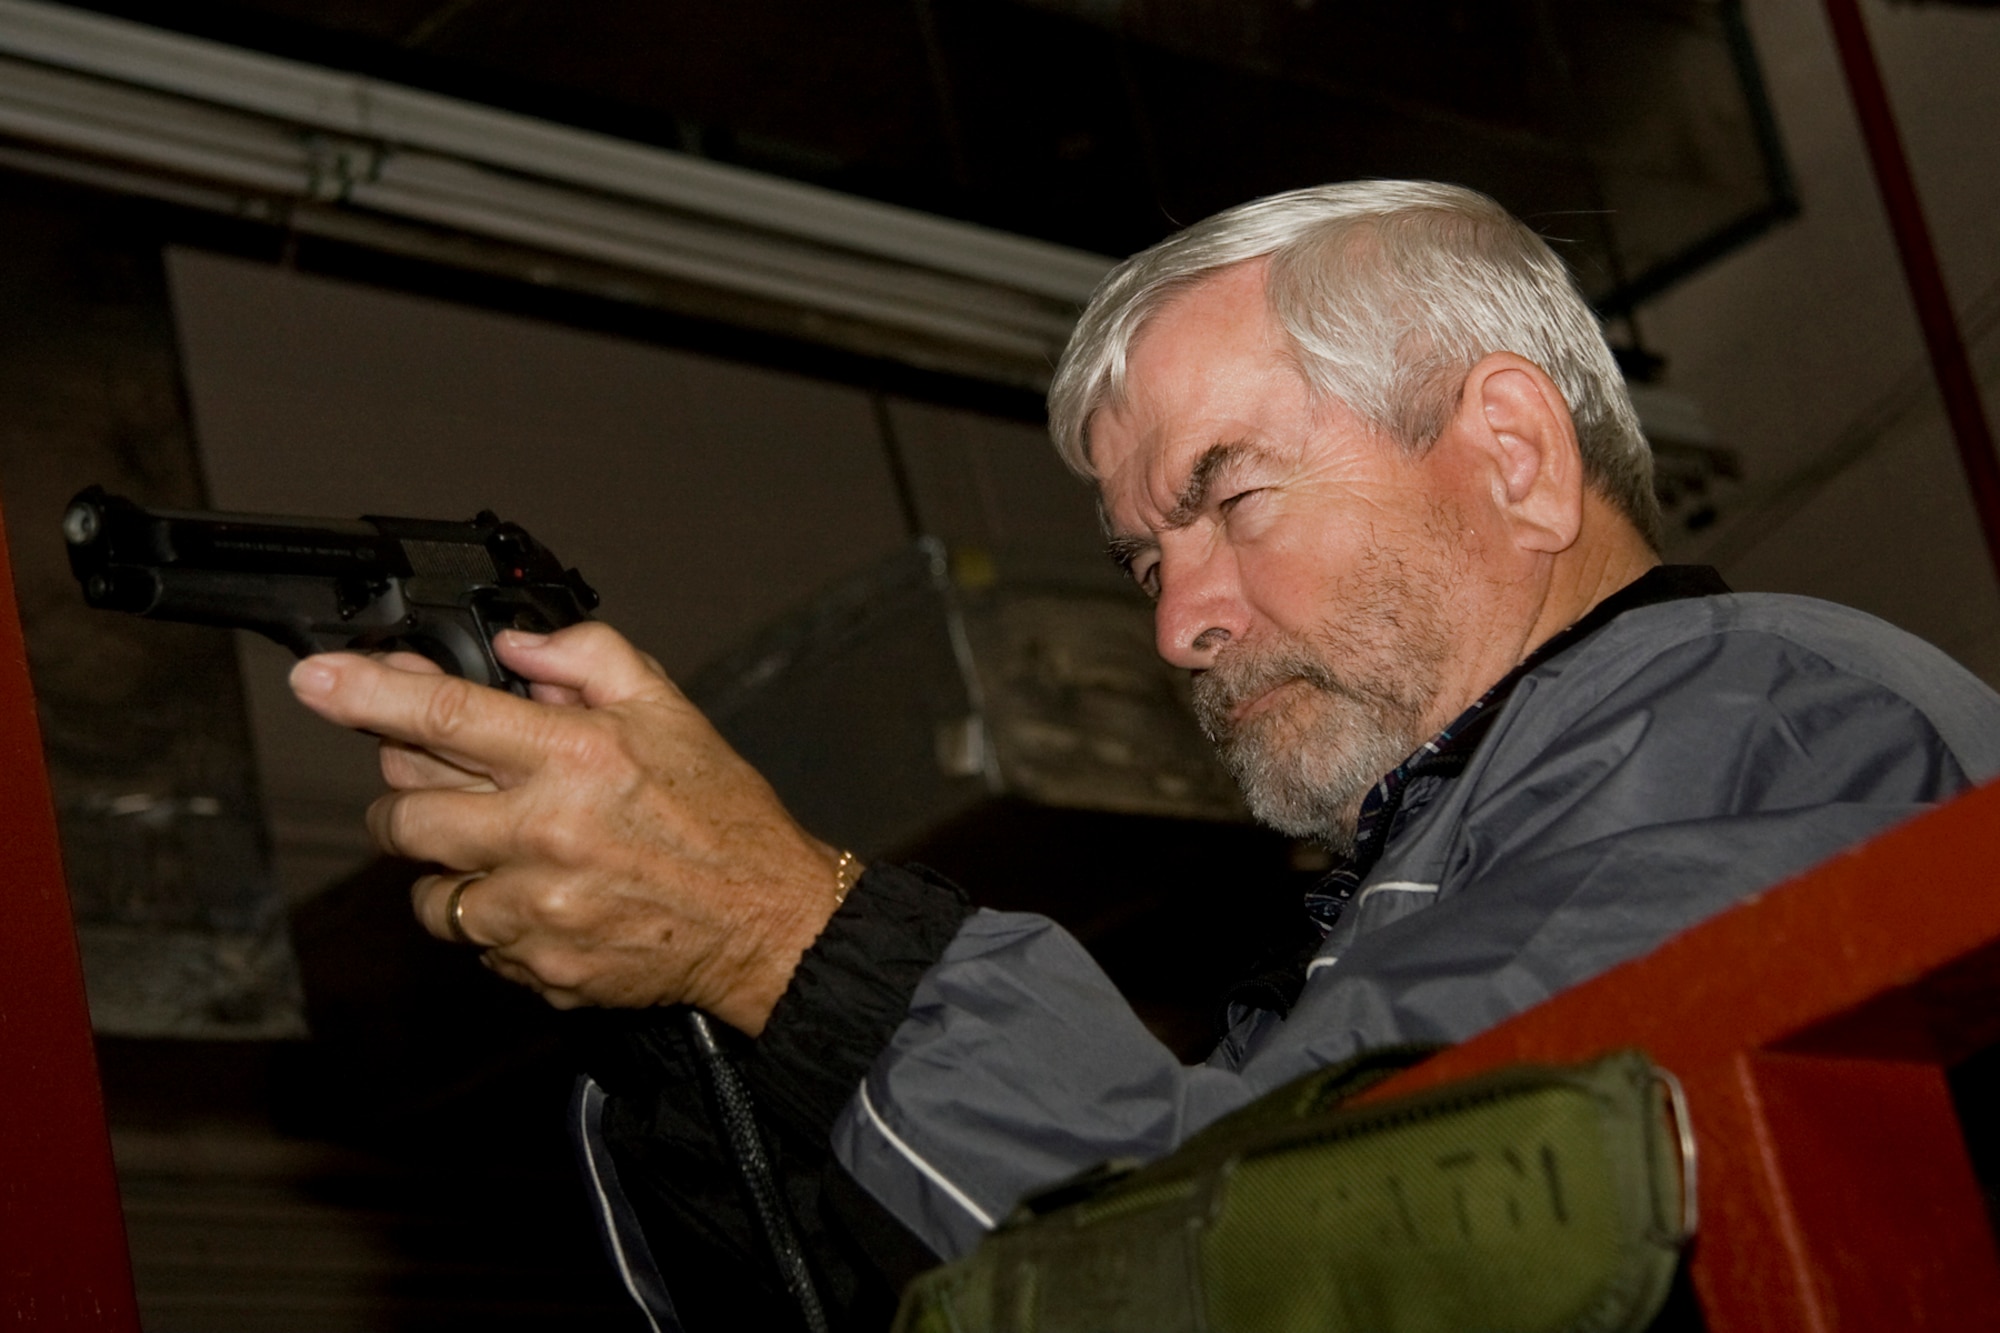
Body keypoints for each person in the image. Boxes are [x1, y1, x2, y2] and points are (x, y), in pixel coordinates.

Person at [288, 180, 2000, 1327]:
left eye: (1232, 494)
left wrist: (784, 937)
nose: (1179, 621)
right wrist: (694, 1006)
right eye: (1141, 556)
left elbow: (1301, 1255)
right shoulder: (1413, 879)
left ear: (1513, 455)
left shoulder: (1766, 717)